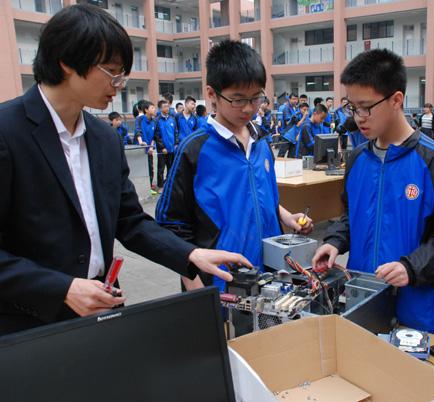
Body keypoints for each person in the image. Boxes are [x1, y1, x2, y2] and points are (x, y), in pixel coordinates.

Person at [0, 4, 251, 336]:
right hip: (28, 324)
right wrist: (60, 289)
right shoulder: (7, 132)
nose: (118, 84)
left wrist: (190, 254)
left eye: (122, 73)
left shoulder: (103, 138)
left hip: (102, 307)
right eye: (111, 71)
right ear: (66, 62)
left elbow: (129, 221)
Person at [312, 49, 434, 336]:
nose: (358, 118)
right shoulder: (357, 159)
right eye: (352, 107)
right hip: (363, 299)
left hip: (418, 310)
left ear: (396, 100)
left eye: (366, 107)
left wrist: (411, 268)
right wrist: (335, 241)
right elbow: (352, 216)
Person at [155, 40, 314, 291]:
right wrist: (196, 289)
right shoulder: (195, 150)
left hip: (271, 277)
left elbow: (260, 193)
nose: (249, 108)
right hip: (220, 284)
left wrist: (286, 216)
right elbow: (171, 225)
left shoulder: (261, 141)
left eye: (256, 97)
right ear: (212, 94)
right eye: (238, 99)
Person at [154, 99, 178, 191]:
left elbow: (176, 132)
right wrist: (162, 147)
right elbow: (157, 135)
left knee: (171, 168)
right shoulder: (157, 120)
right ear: (160, 108)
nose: (167, 108)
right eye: (164, 107)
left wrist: (176, 144)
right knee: (161, 169)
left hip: (172, 148)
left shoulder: (172, 119)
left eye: (168, 106)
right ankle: (160, 186)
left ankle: (169, 185)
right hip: (162, 150)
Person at [137, 100, 158, 193]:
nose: (154, 110)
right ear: (146, 110)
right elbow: (138, 131)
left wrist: (151, 147)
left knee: (150, 168)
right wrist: (141, 142)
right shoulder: (140, 119)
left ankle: (149, 187)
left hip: (149, 149)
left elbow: (154, 136)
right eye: (152, 108)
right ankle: (141, 188)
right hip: (140, 150)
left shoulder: (154, 121)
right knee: (141, 169)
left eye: (154, 108)